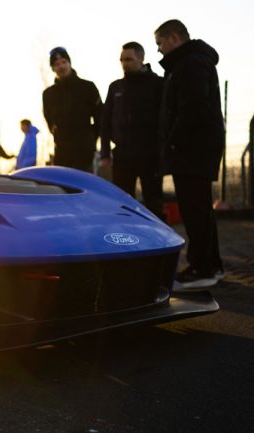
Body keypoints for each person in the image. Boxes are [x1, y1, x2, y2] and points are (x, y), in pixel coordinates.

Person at [154, 19, 225, 290]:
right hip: (196, 145)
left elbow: (193, 107)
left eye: (160, 43)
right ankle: (211, 265)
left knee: (195, 209)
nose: (159, 50)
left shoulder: (191, 63)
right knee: (200, 208)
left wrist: (173, 141)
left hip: (193, 147)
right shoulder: (188, 62)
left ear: (173, 38)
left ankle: (202, 268)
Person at [100, 42, 164, 218]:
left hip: (150, 155)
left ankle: (158, 241)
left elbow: (165, 119)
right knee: (122, 204)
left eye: (129, 59)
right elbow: (105, 122)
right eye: (122, 60)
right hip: (122, 155)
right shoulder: (116, 87)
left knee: (153, 203)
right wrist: (105, 153)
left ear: (141, 59)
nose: (124, 63)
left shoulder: (157, 84)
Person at [43, 47, 102, 172]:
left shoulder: (87, 87)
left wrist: (91, 138)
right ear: (53, 68)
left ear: (70, 63)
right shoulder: (48, 94)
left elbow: (100, 116)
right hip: (62, 150)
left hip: (84, 149)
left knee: (85, 185)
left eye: (64, 62)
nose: (61, 66)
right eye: (57, 64)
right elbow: (48, 119)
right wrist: (57, 136)